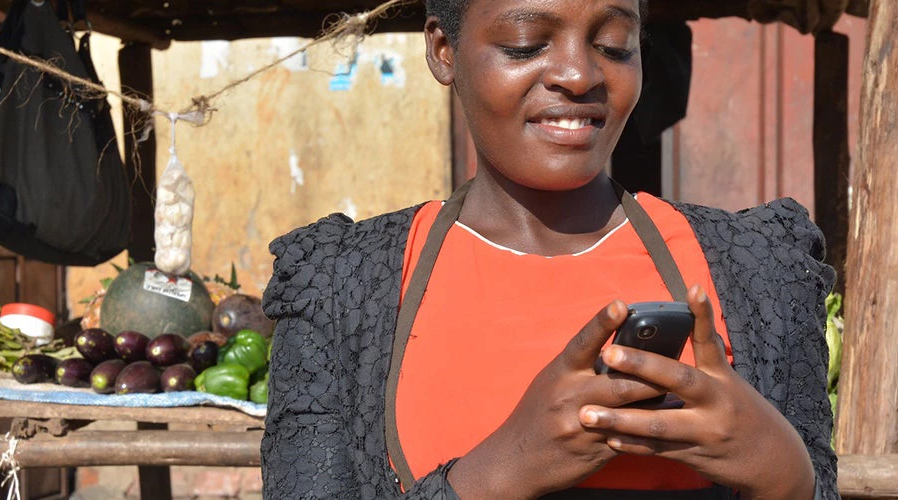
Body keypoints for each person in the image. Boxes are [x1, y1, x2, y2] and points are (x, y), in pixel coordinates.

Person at [260, 0, 837, 498]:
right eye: (525, 43)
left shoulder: (757, 268)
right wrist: (503, 468)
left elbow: (809, 482)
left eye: (615, 45)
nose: (578, 73)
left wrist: (785, 473)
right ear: (443, 50)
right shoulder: (340, 287)